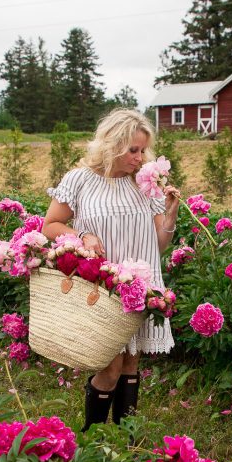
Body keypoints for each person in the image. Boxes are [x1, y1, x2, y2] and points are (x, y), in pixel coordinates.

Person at [42, 108, 180, 430]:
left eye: (143, 149)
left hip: (140, 286)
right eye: (133, 149)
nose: (140, 157)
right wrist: (81, 236)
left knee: (131, 362)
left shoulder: (147, 185)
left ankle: (125, 437)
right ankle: (91, 436)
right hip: (102, 286)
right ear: (112, 145)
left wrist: (170, 216)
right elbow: (50, 224)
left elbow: (158, 245)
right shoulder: (81, 179)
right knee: (110, 366)